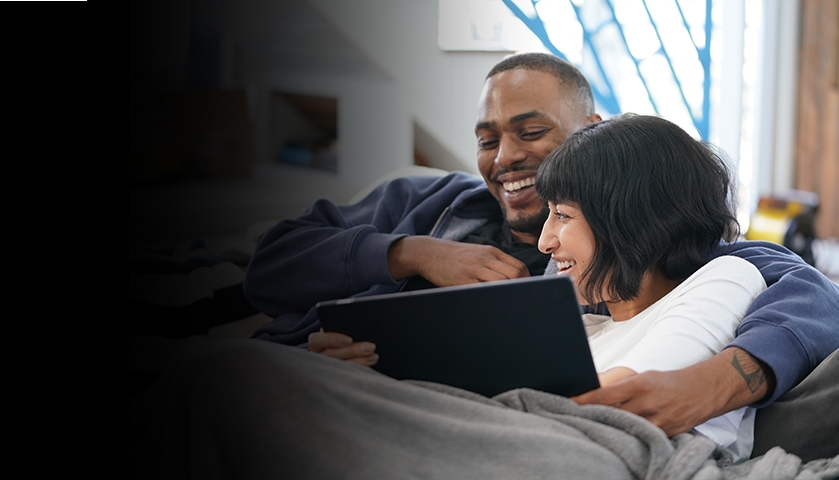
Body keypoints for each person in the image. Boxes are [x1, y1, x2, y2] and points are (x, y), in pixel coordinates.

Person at [241, 52, 839, 439]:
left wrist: (725, 380)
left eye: (531, 132)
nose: (504, 159)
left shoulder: (633, 254)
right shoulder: (428, 203)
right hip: (310, 370)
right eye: (486, 139)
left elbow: (804, 289)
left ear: (592, 137)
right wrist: (413, 253)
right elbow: (267, 266)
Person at [535, 113, 764, 460]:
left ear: (633, 220)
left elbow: (623, 398)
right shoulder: (581, 329)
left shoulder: (727, 278)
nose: (544, 242)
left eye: (562, 215)